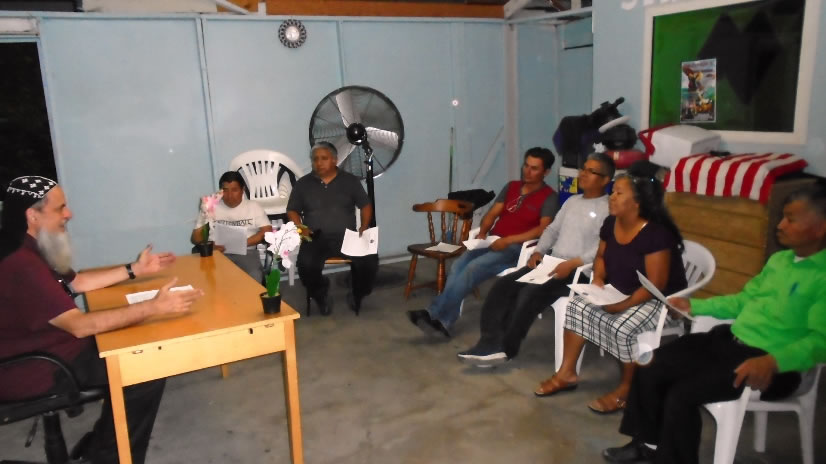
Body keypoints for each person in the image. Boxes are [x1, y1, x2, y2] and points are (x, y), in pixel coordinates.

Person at [602, 182, 826, 464]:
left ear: (820, 228)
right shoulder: (780, 261)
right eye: (782, 216)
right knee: (649, 363)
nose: (780, 225)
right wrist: (693, 306)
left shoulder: (822, 277)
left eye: (790, 219)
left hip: (775, 365)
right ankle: (648, 444)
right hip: (732, 341)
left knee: (681, 393)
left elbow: (820, 342)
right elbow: (742, 301)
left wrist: (774, 361)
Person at [0, 176, 204, 464]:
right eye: (60, 208)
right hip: (35, 367)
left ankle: (102, 443)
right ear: (33, 216)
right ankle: (108, 457)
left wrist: (135, 269)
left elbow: (78, 281)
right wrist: (154, 306)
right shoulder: (21, 263)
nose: (69, 214)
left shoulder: (26, 244)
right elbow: (80, 325)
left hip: (51, 347)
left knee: (137, 344)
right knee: (145, 367)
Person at [534, 161, 687, 416]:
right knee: (577, 306)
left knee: (621, 326)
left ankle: (627, 390)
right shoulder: (611, 223)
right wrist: (598, 280)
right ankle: (567, 373)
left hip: (658, 299)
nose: (612, 197)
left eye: (619, 193)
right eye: (613, 191)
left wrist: (621, 305)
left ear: (637, 202)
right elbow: (601, 256)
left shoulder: (656, 235)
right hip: (618, 289)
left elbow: (656, 286)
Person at [458, 153, 615, 366]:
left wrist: (571, 264)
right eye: (583, 169)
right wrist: (538, 251)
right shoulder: (572, 201)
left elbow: (602, 248)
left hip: (578, 271)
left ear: (605, 180)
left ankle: (505, 348)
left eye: (591, 171)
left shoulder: (608, 209)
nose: (583, 174)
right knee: (503, 287)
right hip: (551, 263)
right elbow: (552, 230)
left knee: (529, 294)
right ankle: (488, 342)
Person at [407, 147, 559, 337]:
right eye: (526, 165)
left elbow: (543, 229)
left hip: (516, 248)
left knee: (473, 268)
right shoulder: (512, 187)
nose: (527, 171)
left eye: (534, 168)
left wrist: (509, 240)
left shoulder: (549, 197)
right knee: (459, 265)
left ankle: (432, 313)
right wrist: (483, 232)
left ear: (546, 172)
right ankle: (444, 321)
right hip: (492, 241)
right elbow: (493, 213)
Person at [286, 141, 378, 315]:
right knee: (306, 266)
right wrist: (301, 228)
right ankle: (321, 295)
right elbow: (292, 210)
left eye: (324, 158)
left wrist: (364, 227)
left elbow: (365, 205)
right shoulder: (303, 184)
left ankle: (358, 294)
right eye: (315, 159)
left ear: (334, 160)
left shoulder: (350, 181)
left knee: (370, 261)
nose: (318, 163)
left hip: (347, 236)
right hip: (315, 237)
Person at [191, 171, 272, 283]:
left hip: (246, 251)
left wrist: (242, 243)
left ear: (242, 190)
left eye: (234, 190)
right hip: (217, 252)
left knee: (254, 277)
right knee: (210, 280)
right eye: (225, 190)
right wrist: (204, 214)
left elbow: (267, 231)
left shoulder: (253, 207)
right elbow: (196, 239)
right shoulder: (211, 207)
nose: (229, 196)